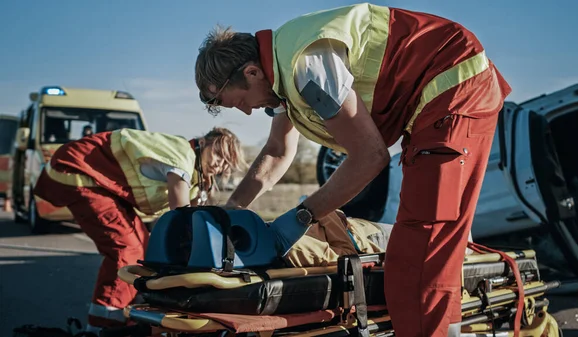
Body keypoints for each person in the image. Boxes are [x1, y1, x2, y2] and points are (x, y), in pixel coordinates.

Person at [193, 3, 511, 336]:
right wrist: (231, 213)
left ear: (252, 72)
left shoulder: (306, 66)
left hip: (454, 90)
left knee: (418, 256)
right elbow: (275, 152)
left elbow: (369, 156)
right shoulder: (280, 78)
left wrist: (303, 215)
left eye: (240, 101)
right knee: (425, 248)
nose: (246, 112)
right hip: (437, 102)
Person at [32, 127, 246, 334]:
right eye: (219, 154)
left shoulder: (195, 176)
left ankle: (122, 316)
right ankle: (103, 326)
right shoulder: (182, 155)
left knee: (141, 246)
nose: (220, 164)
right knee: (127, 250)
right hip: (79, 167)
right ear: (202, 143)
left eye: (226, 162)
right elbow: (181, 214)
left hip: (99, 180)